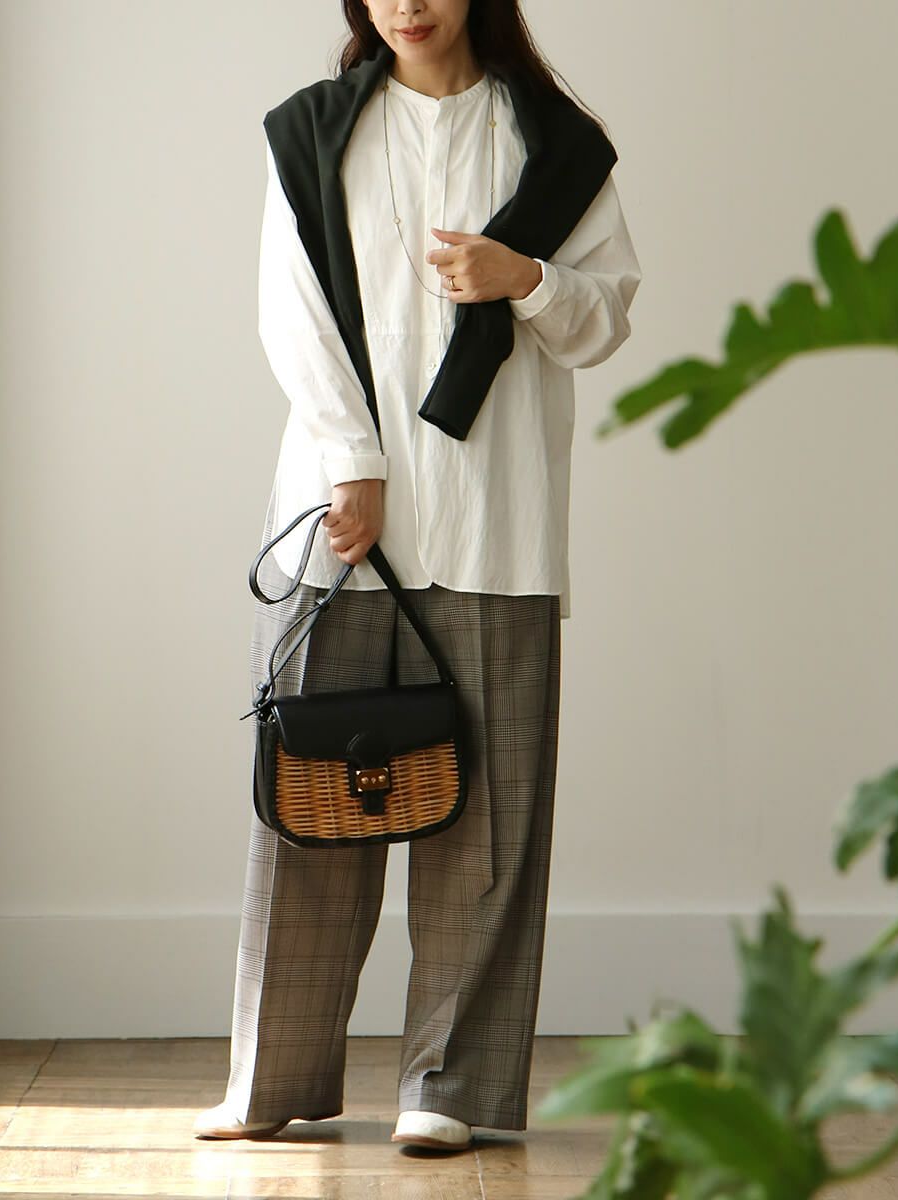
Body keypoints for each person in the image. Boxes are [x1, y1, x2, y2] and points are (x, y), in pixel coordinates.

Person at [194, 0, 641, 1149]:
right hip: (343, 517)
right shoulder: (313, 129)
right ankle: (269, 1084)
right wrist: (353, 462)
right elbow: (291, 312)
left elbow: (602, 320)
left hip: (499, 517)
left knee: (487, 831)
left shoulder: (556, 141)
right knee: (306, 810)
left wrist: (523, 277)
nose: (407, 2)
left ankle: (450, 1091)